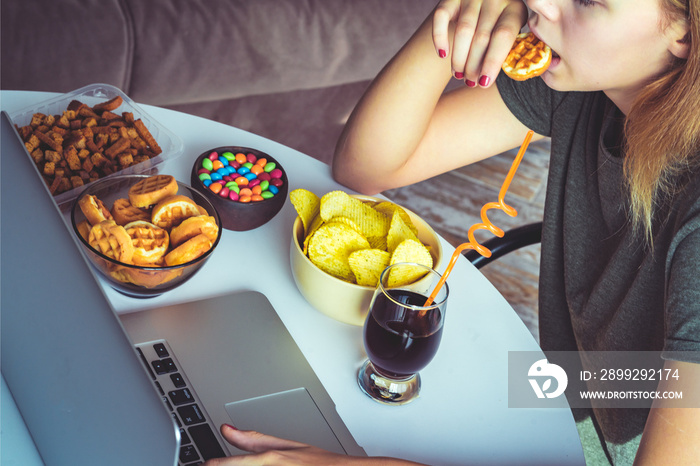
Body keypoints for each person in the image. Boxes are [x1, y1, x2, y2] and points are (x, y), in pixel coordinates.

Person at [204, 0, 700, 464]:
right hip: (569, 405)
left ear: (683, 31)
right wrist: (462, 15)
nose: (542, 4)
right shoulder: (587, 86)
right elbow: (367, 165)